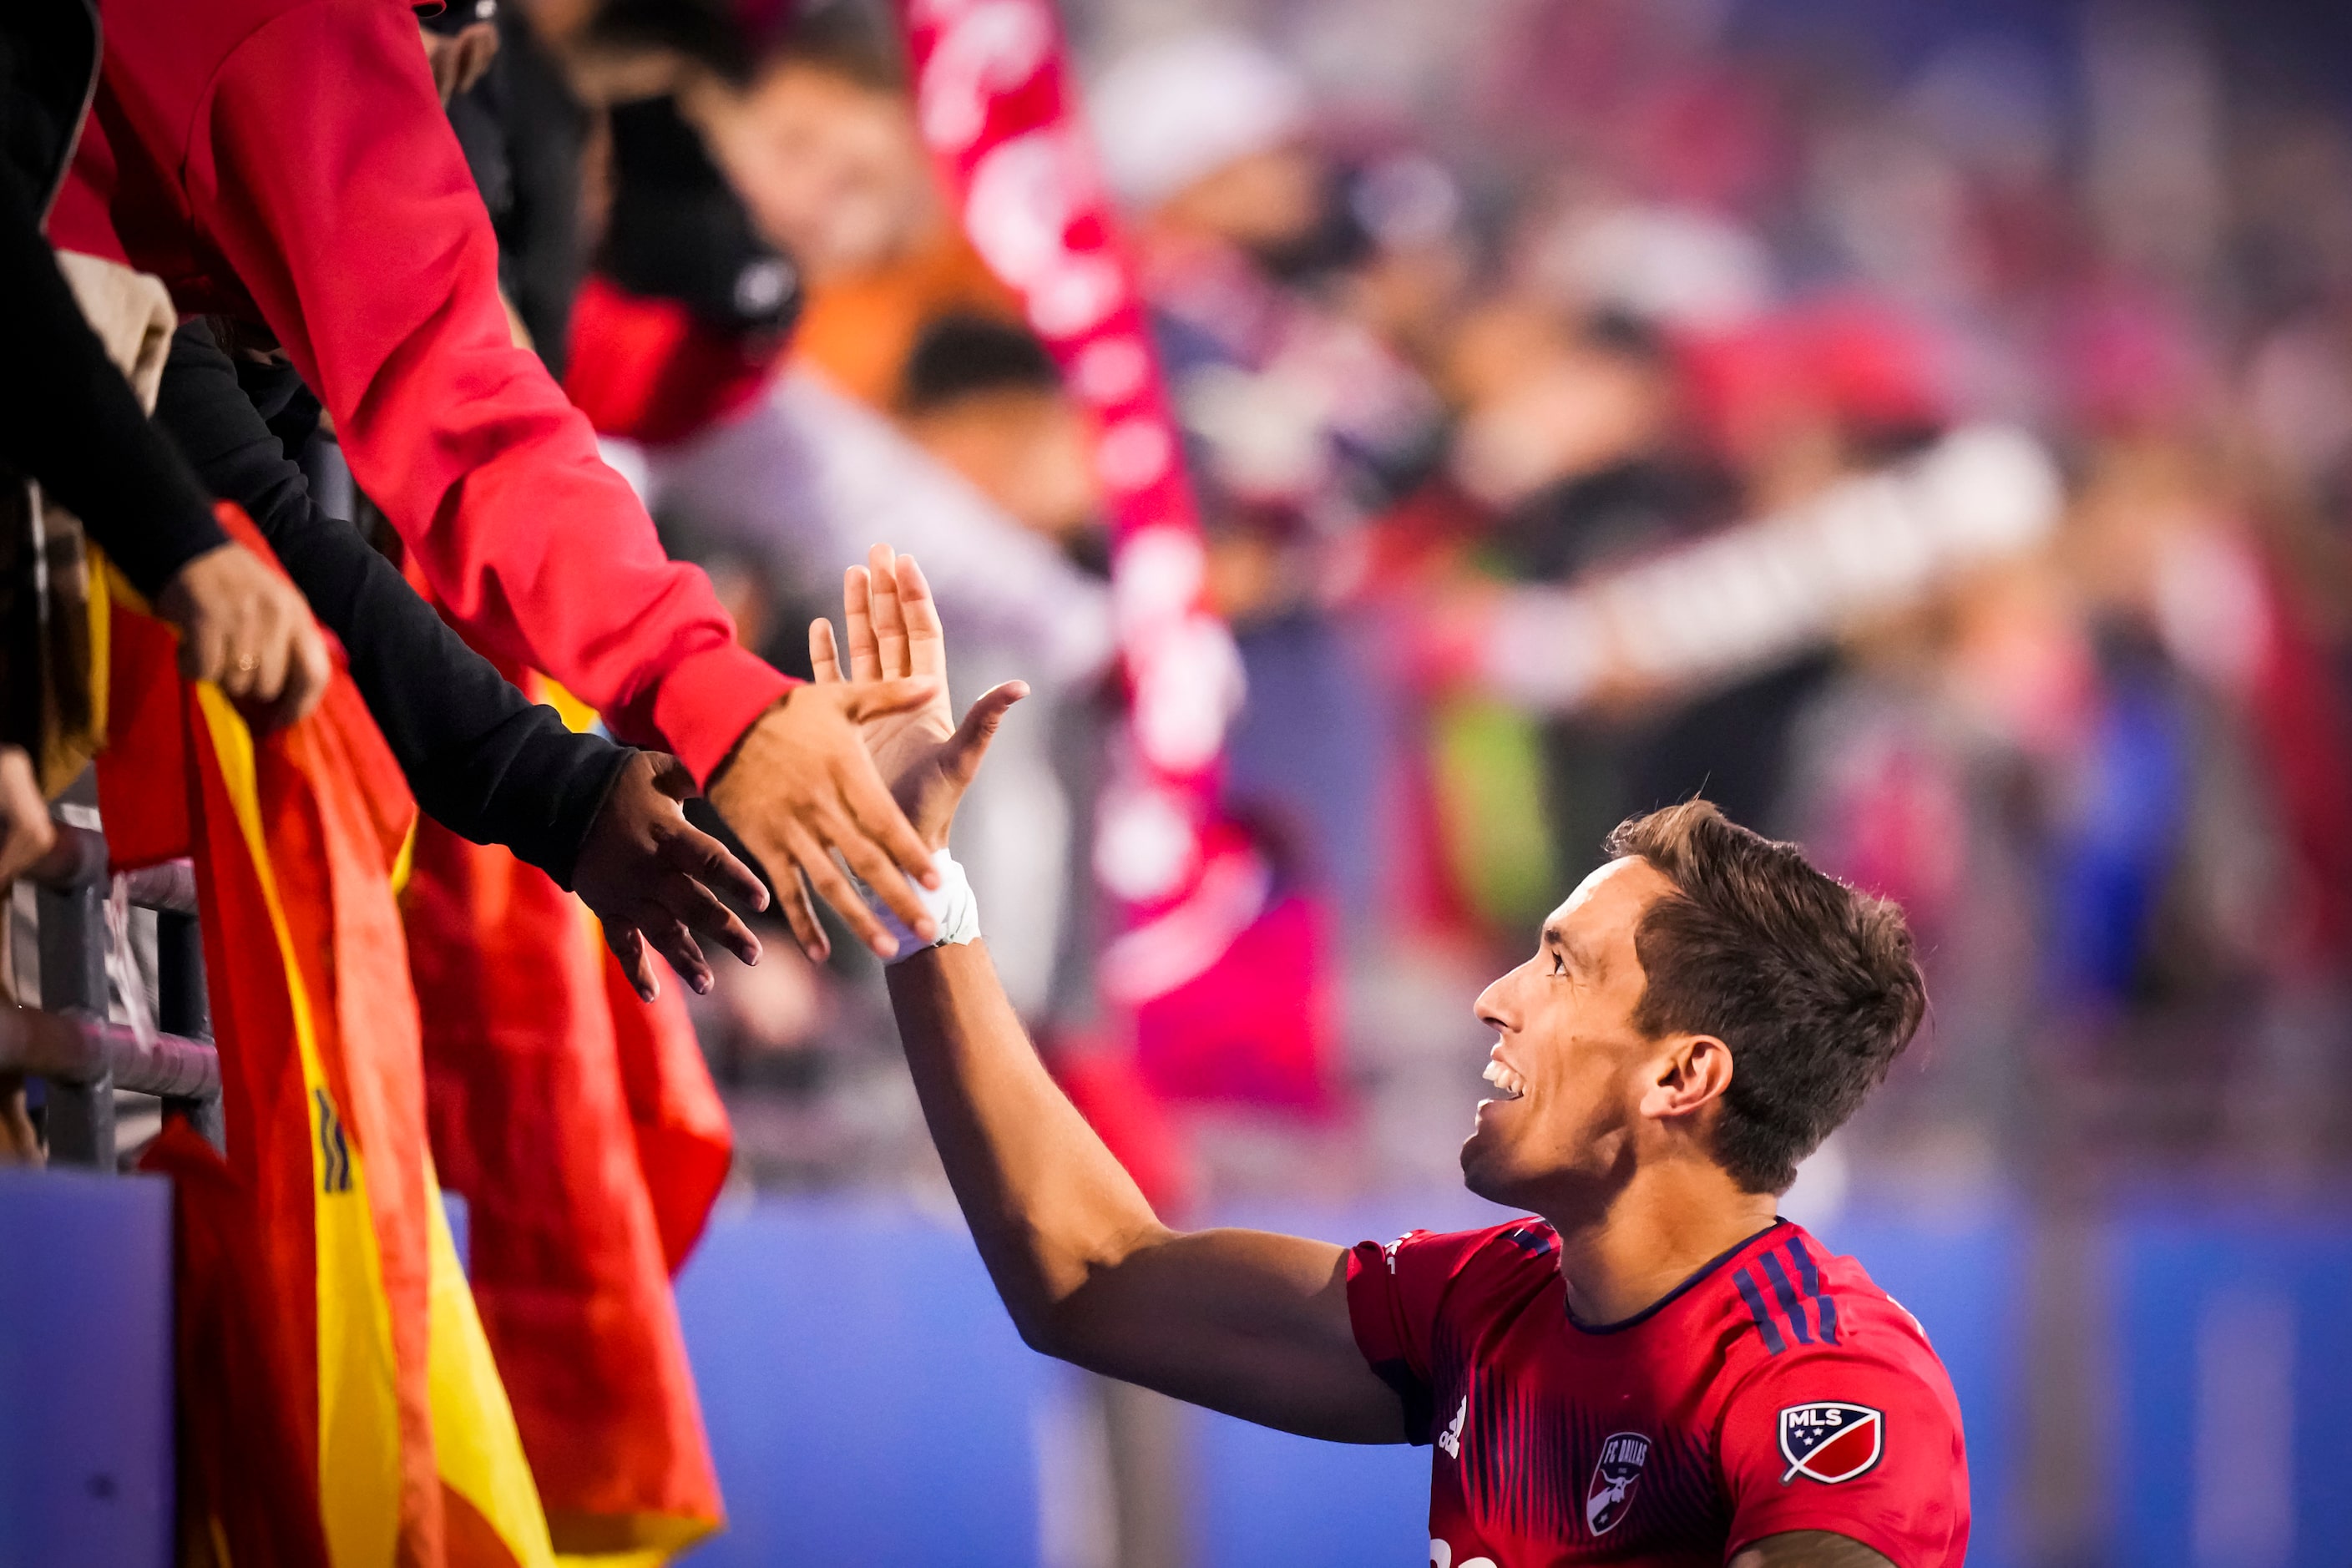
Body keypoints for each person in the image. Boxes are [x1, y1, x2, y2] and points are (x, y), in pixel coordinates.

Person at [821, 548, 1966, 1567]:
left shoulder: (1826, 1386)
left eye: (1562, 968)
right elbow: (1091, 1278)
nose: (1493, 997)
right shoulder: (1489, 1300)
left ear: (1681, 1077)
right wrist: (924, 899)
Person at [49, 0, 943, 962]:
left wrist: (564, 781)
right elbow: (452, 405)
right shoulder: (305, 28)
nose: (472, 48)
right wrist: (703, 699)